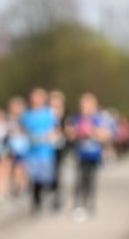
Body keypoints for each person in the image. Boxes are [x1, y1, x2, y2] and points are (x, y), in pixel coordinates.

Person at [66, 92, 111, 221]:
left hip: (94, 154)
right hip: (80, 153)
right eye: (83, 105)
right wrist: (75, 132)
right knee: (79, 179)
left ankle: (89, 205)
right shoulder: (76, 118)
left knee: (90, 180)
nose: (86, 107)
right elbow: (70, 134)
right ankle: (78, 205)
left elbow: (106, 135)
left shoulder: (98, 118)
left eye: (88, 105)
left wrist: (92, 131)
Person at [21, 87, 58, 215]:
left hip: (46, 152)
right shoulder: (27, 114)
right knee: (34, 179)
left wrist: (50, 136)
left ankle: (51, 197)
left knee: (47, 179)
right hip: (31, 152)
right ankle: (37, 203)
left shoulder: (49, 113)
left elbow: (55, 129)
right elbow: (22, 130)